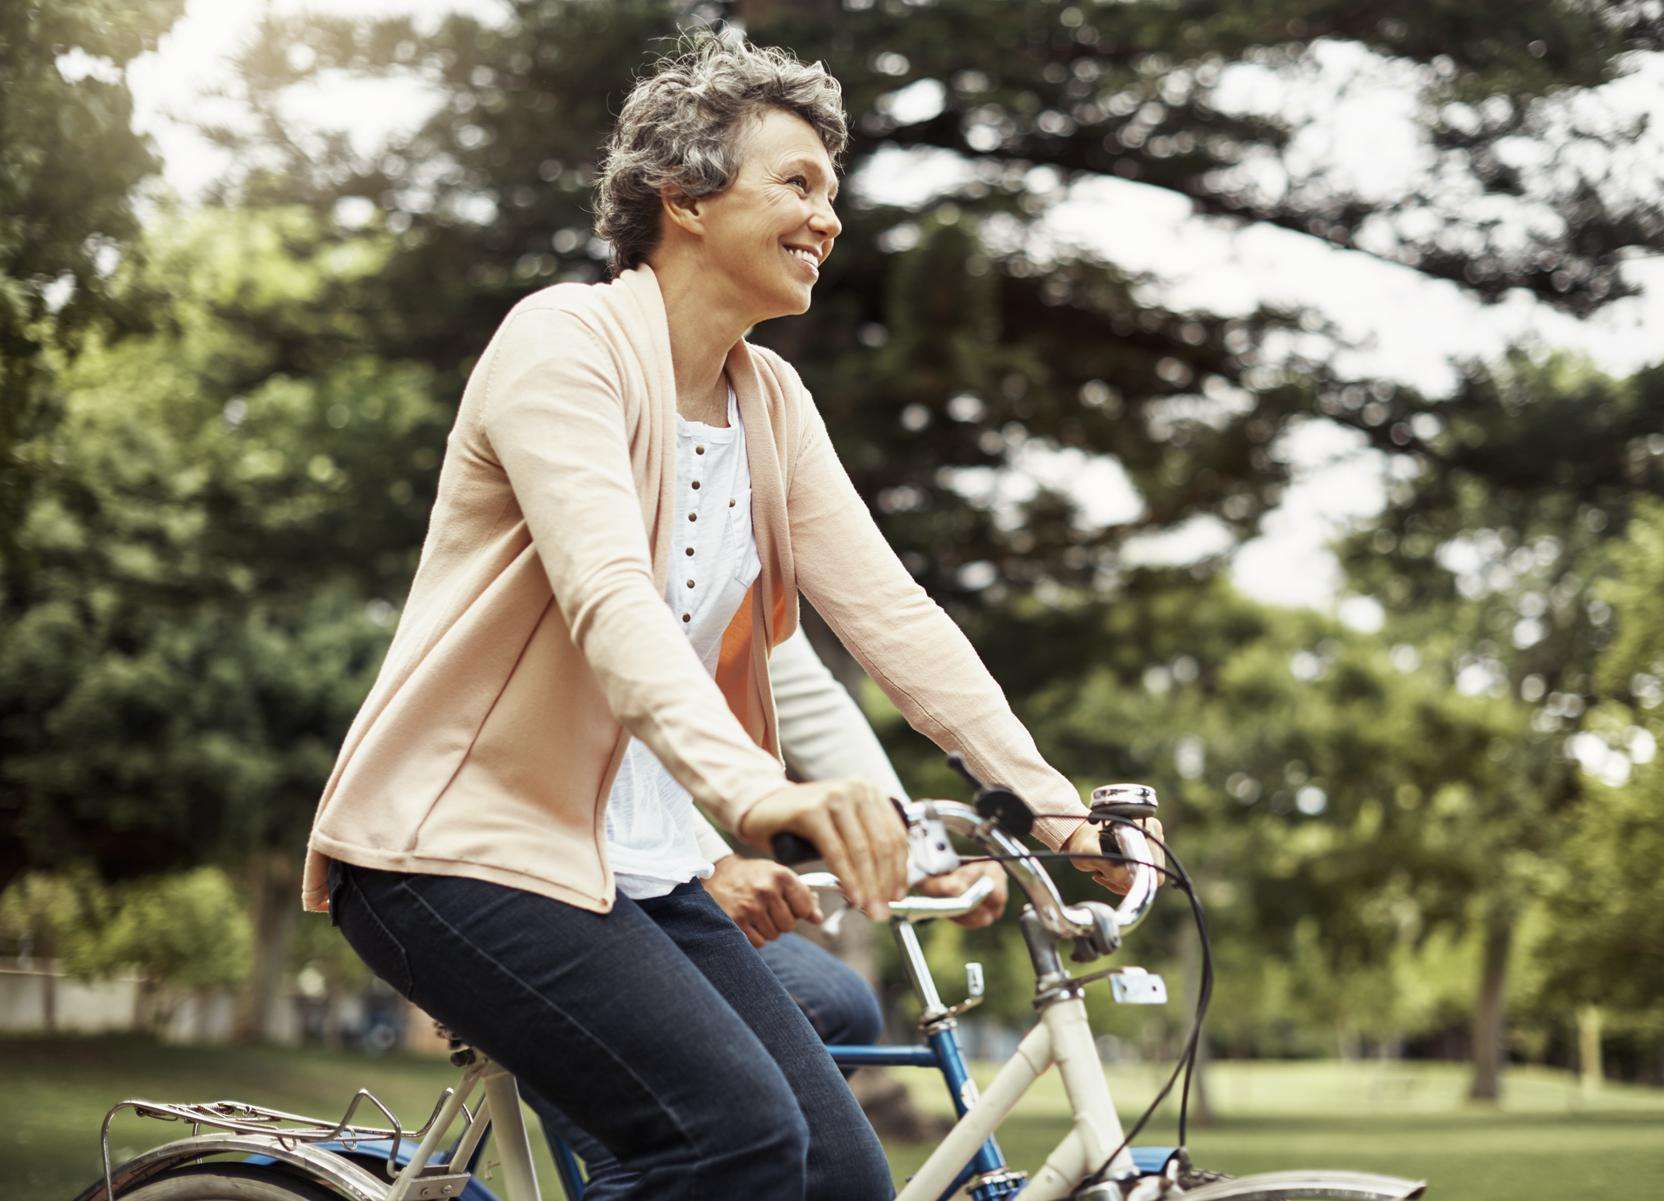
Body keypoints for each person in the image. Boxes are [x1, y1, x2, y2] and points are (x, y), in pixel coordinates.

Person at [303, 30, 1155, 1201]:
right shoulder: (564, 344)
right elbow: (610, 598)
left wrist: (1055, 812)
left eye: (835, 192)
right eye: (797, 183)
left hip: (637, 868)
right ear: (684, 196)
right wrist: (755, 794)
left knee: (841, 1182)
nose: (830, 217)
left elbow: (892, 617)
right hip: (453, 851)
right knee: (731, 1142)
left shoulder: (770, 400)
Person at [523, 626, 1008, 1199]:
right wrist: (716, 859)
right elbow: (607, 698)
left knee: (842, 1009)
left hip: (660, 868)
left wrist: (918, 853)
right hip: (544, 854)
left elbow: (805, 692)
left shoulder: (750, 549)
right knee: (681, 1157)